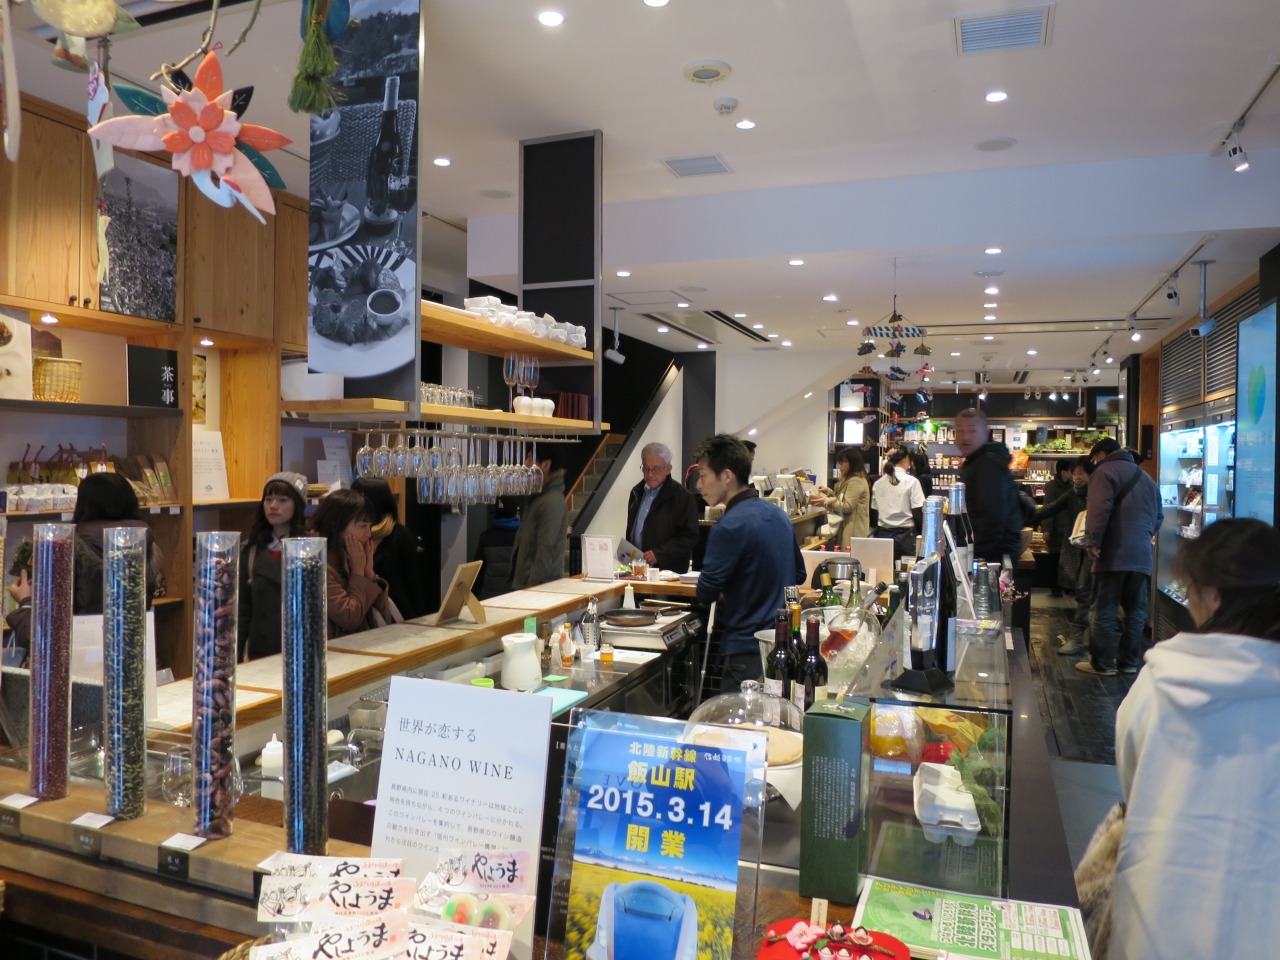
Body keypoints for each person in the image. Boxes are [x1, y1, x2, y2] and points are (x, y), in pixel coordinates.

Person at [1110, 518, 1280, 958]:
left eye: (1191, 589)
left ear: (1214, 595)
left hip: (1158, 914)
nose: (1188, 600)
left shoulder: (1163, 680)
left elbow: (1132, 781)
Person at [694, 434, 806, 687]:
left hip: (746, 651)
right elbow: (799, 575)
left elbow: (706, 592)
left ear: (727, 476)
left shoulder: (728, 527)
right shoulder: (778, 514)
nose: (699, 484)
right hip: (784, 646)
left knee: (739, 714)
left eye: (703, 475)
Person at [1077, 437, 1162, 677]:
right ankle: (1129, 663)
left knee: (1104, 609)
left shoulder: (1104, 472)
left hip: (1113, 553)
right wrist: (1143, 536)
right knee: (1136, 612)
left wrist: (1093, 540)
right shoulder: (1147, 478)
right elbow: (1159, 516)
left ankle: (1102, 664)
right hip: (1141, 555)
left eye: (1094, 459)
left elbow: (1099, 508)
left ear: (1102, 455)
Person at [238, 472, 309, 661]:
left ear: (297, 505)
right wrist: (235, 659)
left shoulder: (310, 550)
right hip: (260, 654)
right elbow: (242, 611)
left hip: (300, 651)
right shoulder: (250, 550)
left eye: (282, 500)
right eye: (268, 499)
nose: (273, 506)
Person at [71, 472, 163, 614]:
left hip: (84, 627)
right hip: (134, 626)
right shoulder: (145, 543)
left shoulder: (73, 546)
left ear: (84, 505)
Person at [310, 488, 394, 639]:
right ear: (336, 526)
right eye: (363, 526)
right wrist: (357, 573)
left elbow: (381, 607)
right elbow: (350, 618)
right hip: (336, 649)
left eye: (369, 526)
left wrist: (369, 573)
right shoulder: (319, 566)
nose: (368, 533)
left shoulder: (351, 558)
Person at [1036, 456, 1094, 654]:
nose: (1077, 477)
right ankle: (1089, 639)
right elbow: (1049, 509)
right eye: (1074, 473)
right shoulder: (1072, 493)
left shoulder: (1100, 493)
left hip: (1094, 550)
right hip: (1075, 549)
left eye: (1081, 473)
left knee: (1086, 593)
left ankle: (1079, 639)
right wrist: (1025, 514)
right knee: (1083, 593)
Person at [954, 407, 1025, 562]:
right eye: (960, 430)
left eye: (972, 430)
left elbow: (993, 517)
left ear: (986, 433)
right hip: (989, 552)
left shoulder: (987, 463)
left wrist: (975, 555)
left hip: (991, 557)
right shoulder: (977, 461)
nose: (965, 436)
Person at [351, 477, 425, 620]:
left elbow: (413, 582)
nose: (352, 504)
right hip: (362, 614)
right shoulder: (350, 536)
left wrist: (419, 620)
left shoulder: (399, 535)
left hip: (396, 614)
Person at [625, 442, 700, 572]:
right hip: (637, 569)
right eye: (646, 468)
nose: (650, 474)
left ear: (668, 469)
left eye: (656, 469)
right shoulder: (636, 492)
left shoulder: (683, 497)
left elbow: (690, 537)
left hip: (668, 573)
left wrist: (660, 554)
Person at [511, 446, 568, 588]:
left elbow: (546, 550)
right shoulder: (538, 497)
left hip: (539, 590)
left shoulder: (551, 500)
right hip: (528, 586)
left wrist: (533, 589)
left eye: (530, 458)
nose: (525, 463)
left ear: (546, 465)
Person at [870, 447, 924, 558]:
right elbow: (918, 512)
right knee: (906, 568)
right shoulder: (912, 482)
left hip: (883, 536)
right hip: (906, 538)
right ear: (907, 458)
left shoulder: (878, 483)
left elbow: (874, 515)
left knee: (883, 568)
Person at [812, 446, 871, 547]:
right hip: (849, 529)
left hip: (853, 531)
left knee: (848, 555)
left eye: (843, 462)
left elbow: (847, 506)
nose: (840, 465)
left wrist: (826, 501)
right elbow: (842, 499)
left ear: (853, 462)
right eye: (839, 462)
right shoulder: (850, 479)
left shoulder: (856, 481)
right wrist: (829, 492)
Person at [1037, 458, 1078, 597]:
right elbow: (1048, 508)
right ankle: (1054, 587)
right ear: (1063, 472)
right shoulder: (1052, 487)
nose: (1075, 474)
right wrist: (1047, 529)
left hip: (1071, 529)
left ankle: (1068, 586)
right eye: (1072, 471)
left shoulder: (1074, 486)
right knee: (1054, 559)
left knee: (1069, 559)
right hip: (1056, 531)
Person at [472, 500, 520, 599]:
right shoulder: (524, 536)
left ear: (496, 515)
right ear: (517, 514)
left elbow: (478, 571)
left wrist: (474, 593)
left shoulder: (486, 537)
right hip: (518, 596)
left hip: (491, 597)